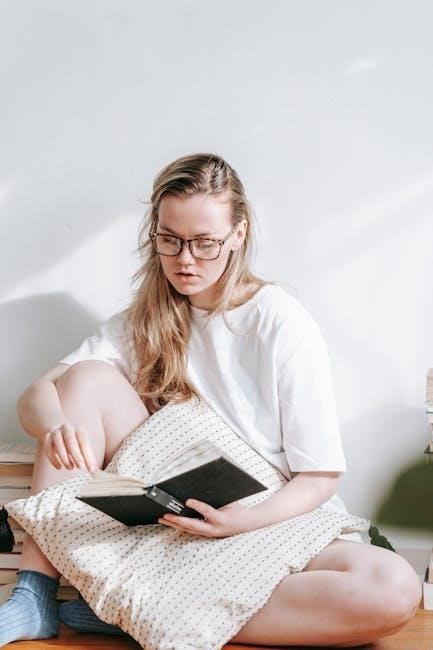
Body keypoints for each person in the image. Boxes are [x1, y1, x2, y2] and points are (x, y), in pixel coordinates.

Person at [0, 153, 421, 647]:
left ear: (239, 234)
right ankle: (34, 593)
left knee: (392, 589)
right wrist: (54, 425)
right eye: (170, 240)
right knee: (85, 379)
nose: (185, 260)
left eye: (205, 243)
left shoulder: (279, 320)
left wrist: (243, 521)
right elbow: (38, 394)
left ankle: (141, 612)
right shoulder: (144, 319)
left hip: (270, 516)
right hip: (177, 525)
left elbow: (320, 475)